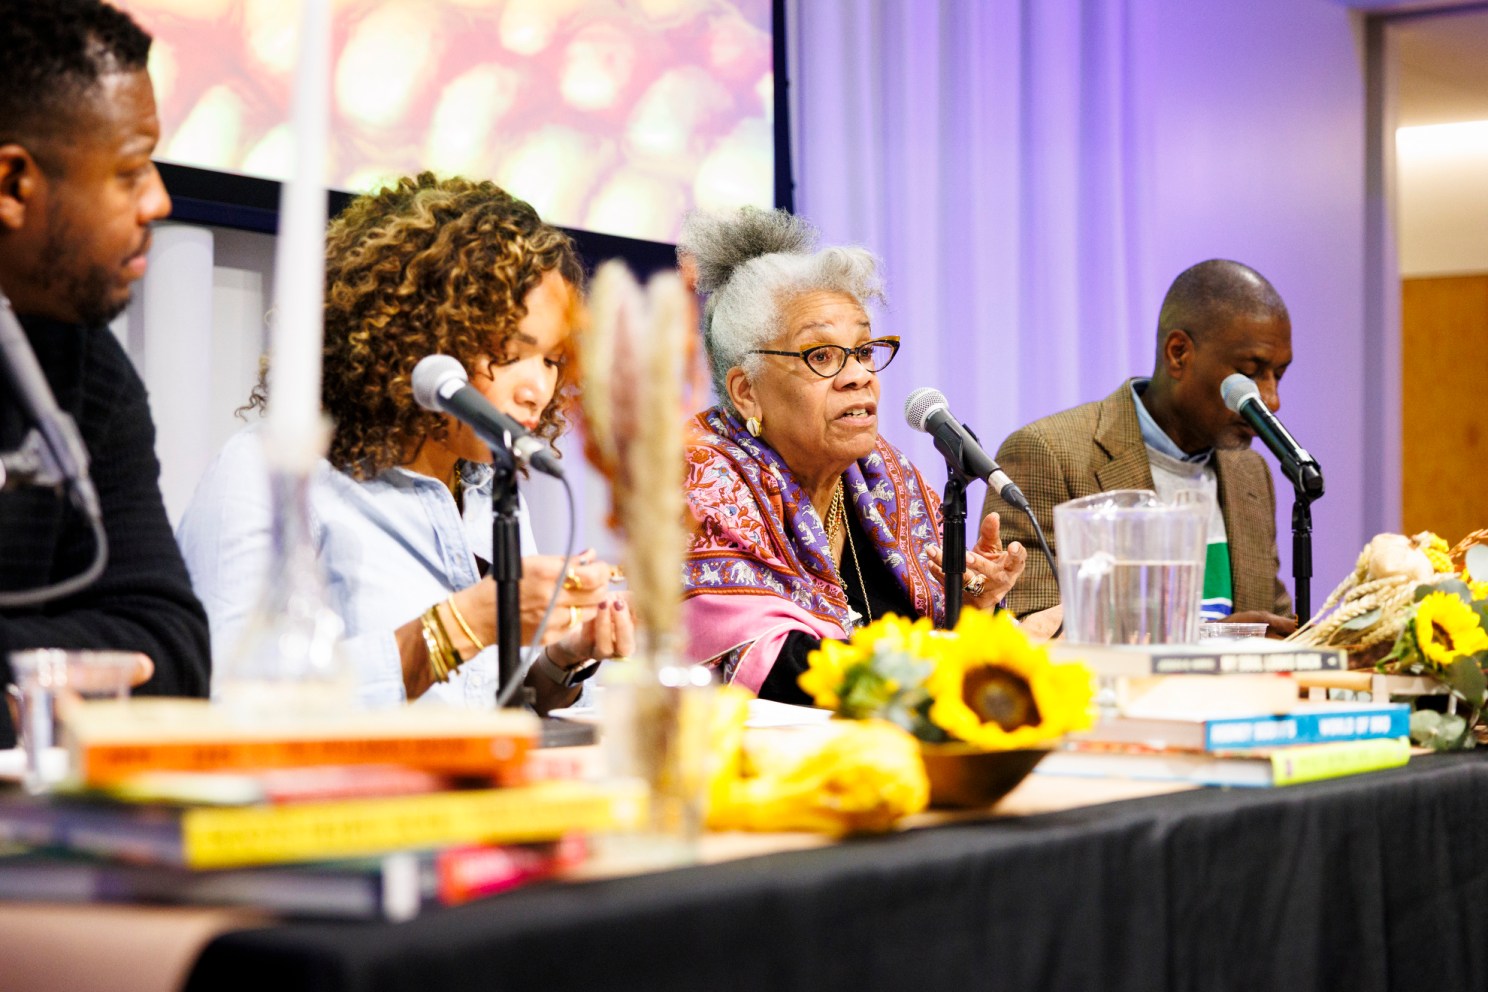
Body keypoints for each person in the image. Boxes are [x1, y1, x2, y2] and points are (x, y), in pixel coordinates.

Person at [176, 174, 632, 714]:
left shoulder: (489, 489)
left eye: (553, 361)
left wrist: (562, 658)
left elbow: (493, 704)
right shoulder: (270, 474)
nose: (537, 389)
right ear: (417, 336)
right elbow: (223, 699)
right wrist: (458, 627)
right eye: (508, 351)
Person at [678, 208, 1045, 703]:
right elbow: (777, 670)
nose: (859, 376)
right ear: (746, 391)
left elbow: (940, 635)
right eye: (822, 355)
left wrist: (975, 607)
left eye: (865, 349)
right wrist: (934, 668)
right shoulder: (699, 480)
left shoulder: (886, 480)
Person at [0, 0, 210, 746]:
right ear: (14, 185)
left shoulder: (86, 366)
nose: (158, 199)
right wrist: (56, 673)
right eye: (129, 170)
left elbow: (174, 648)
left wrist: (23, 682)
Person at [983, 258, 1296, 635]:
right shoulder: (1048, 453)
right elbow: (1032, 627)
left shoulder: (1250, 472)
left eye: (1278, 375)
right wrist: (1212, 638)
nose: (1270, 399)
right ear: (1179, 353)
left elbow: (1272, 618)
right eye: (1249, 372)